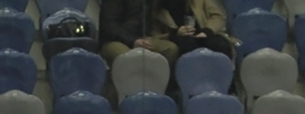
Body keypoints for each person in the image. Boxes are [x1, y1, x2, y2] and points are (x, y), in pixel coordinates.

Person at [99, 0, 232, 68]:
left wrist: (206, 31)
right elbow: (108, 25)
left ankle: (164, 88)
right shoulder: (158, 5)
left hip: (144, 38)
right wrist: (133, 41)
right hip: (117, 40)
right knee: (130, 57)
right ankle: (125, 92)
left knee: (171, 49)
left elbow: (218, 16)